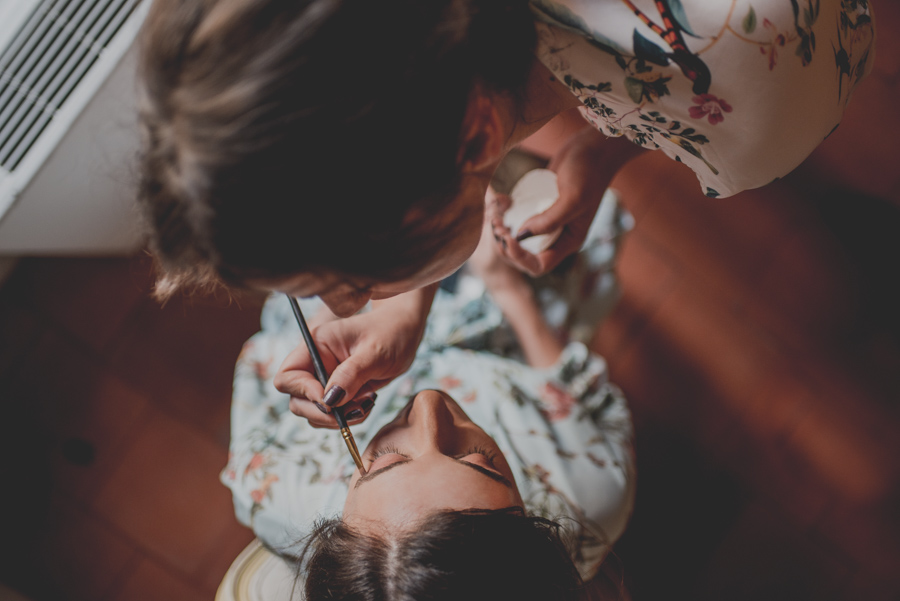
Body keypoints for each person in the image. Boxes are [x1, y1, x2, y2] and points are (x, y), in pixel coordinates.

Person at [138, 0, 875, 432]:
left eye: (354, 280)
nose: (339, 304)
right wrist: (596, 151)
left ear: (479, 136)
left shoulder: (754, 94)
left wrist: (612, 143)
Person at [221, 195, 636, 599]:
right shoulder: (587, 506)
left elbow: (262, 359)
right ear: (528, 519)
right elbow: (589, 395)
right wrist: (505, 284)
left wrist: (335, 317)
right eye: (479, 460)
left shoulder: (273, 489)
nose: (428, 403)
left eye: (386, 460)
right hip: (500, 305)